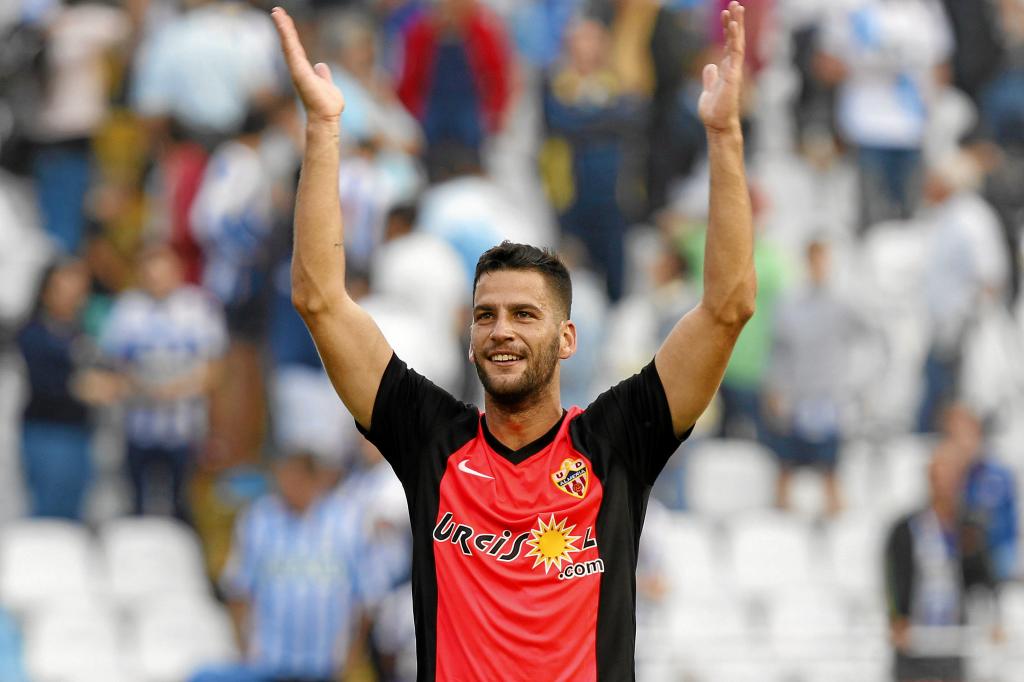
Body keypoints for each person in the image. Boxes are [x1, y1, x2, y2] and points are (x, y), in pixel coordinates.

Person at [271, 2, 754, 679]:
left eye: (525, 315)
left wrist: (724, 135)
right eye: (486, 315)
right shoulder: (431, 442)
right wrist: (323, 128)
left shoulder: (614, 444)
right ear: (468, 340)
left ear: (567, 337)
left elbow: (727, 308)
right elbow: (319, 300)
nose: (502, 329)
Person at [220, 449, 370, 682]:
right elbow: (238, 588)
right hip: (268, 663)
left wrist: (352, 656)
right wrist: (244, 646)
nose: (288, 487)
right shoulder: (258, 520)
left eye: (297, 479)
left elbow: (366, 595)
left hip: (325, 665)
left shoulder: (346, 523)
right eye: (284, 479)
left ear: (314, 481)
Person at [765, 238, 872, 517]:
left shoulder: (843, 303)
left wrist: (857, 383)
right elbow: (780, 350)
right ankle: (783, 517)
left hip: (829, 396)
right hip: (799, 395)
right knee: (787, 461)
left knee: (830, 466)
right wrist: (776, 387)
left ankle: (835, 516)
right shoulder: (789, 304)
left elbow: (870, 337)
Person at [884, 440, 997, 682]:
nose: (945, 485)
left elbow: (983, 578)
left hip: (953, 638)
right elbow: (891, 577)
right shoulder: (907, 528)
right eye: (939, 476)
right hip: (916, 637)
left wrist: (993, 619)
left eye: (951, 477)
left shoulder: (969, 528)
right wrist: (896, 618)